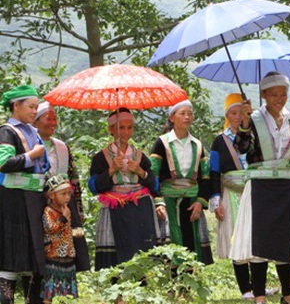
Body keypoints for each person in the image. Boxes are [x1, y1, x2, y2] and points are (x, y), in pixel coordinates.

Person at [229, 72, 290, 304]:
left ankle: (289, 295)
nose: (279, 98)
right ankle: (259, 296)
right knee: (259, 242)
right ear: (263, 95)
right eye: (273, 94)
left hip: (286, 186)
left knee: (285, 240)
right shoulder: (255, 119)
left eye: (283, 94)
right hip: (260, 186)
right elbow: (242, 147)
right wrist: (245, 123)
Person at [209, 93, 278, 300]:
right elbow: (213, 171)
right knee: (235, 237)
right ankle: (245, 289)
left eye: (242, 112)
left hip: (256, 190)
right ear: (227, 115)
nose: (238, 116)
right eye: (233, 112)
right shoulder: (219, 141)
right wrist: (216, 199)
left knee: (258, 237)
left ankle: (259, 286)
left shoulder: (255, 137)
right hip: (231, 193)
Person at [88, 108, 166, 270]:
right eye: (120, 128)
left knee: (140, 248)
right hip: (114, 209)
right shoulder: (101, 157)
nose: (125, 132)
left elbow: (156, 185)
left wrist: (140, 172)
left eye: (129, 127)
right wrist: (110, 171)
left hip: (140, 209)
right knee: (116, 252)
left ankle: (140, 286)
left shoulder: (140, 157)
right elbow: (93, 187)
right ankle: (118, 291)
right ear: (110, 129)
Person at [0, 85, 49, 304]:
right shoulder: (7, 131)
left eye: (36, 107)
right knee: (11, 249)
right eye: (31, 106)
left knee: (33, 248)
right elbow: (4, 163)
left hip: (33, 197)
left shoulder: (32, 131)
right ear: (15, 106)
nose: (34, 111)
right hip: (13, 200)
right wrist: (32, 156)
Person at [150, 100, 213, 265]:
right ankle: (172, 287)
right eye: (182, 113)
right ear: (172, 118)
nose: (187, 117)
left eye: (190, 113)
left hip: (192, 201)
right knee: (171, 243)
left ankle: (189, 285)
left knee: (192, 242)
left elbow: (205, 177)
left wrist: (201, 202)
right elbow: (153, 174)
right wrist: (158, 201)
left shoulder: (197, 145)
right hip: (168, 200)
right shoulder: (162, 143)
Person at [33, 102, 89, 274]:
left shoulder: (62, 147)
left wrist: (78, 209)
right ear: (35, 122)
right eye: (48, 118)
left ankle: (61, 283)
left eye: (55, 118)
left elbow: (74, 179)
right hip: (40, 202)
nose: (53, 123)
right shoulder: (30, 144)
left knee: (68, 243)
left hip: (64, 202)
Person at [42, 174, 82, 304]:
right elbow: (51, 228)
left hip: (67, 250)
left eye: (68, 194)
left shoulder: (67, 209)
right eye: (63, 194)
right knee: (51, 281)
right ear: (52, 195)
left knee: (67, 279)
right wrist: (64, 218)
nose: (67, 197)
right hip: (53, 251)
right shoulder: (48, 211)